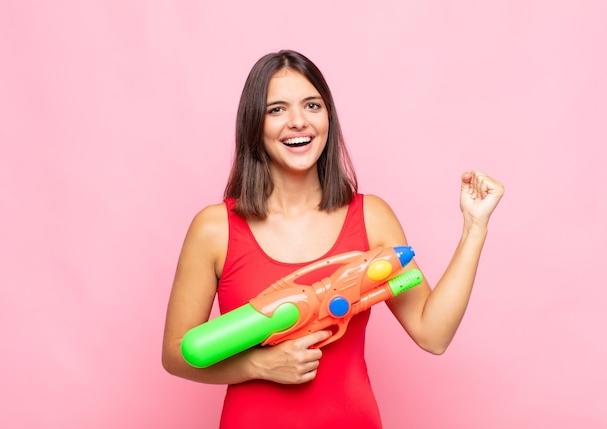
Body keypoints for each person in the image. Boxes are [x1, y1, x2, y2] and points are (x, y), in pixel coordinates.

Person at [161, 50, 504, 428]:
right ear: (253, 124)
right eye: (276, 110)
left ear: (328, 117)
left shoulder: (370, 217)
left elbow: (432, 334)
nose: (298, 122)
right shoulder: (215, 229)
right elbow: (177, 354)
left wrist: (475, 227)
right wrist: (259, 365)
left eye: (312, 105)